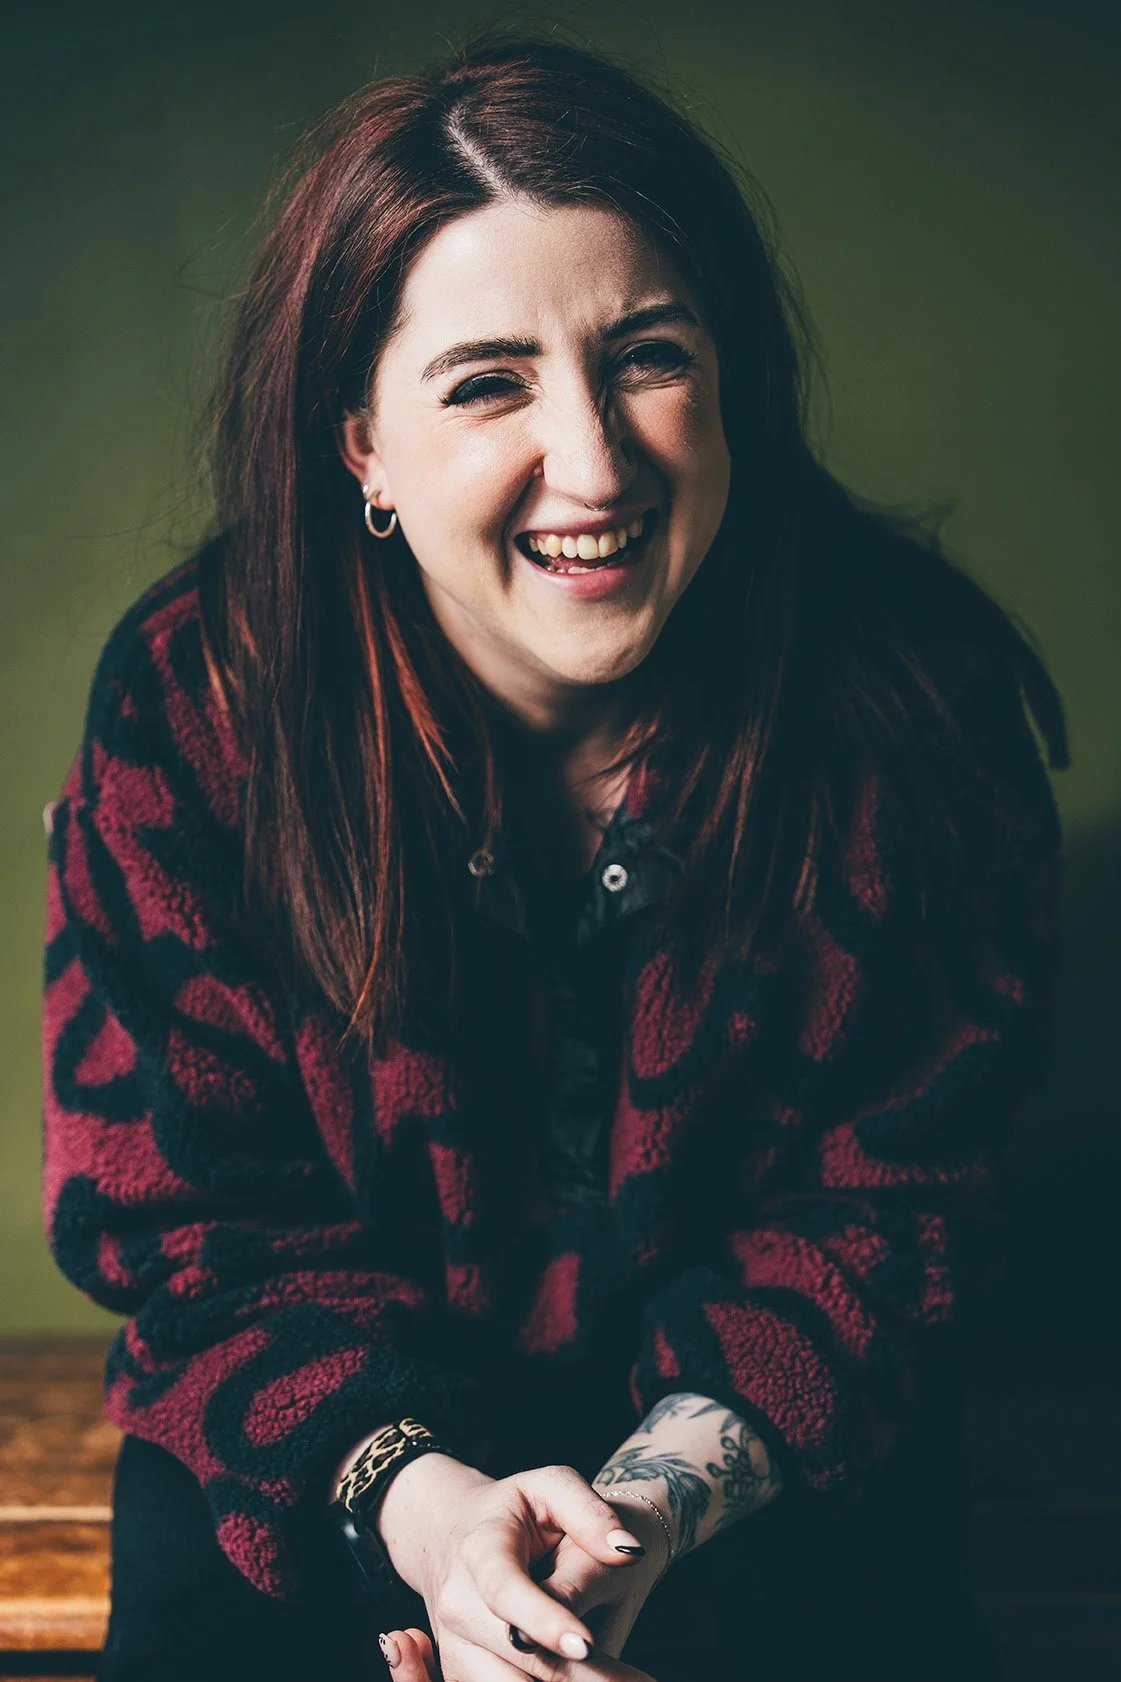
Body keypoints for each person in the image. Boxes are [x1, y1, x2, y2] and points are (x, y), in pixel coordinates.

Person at [41, 28, 1068, 1682]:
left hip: (777, 1444)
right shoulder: (194, 707)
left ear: (730, 371)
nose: (593, 464)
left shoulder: (913, 703)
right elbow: (188, 1230)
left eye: (647, 356)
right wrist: (425, 1508)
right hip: (310, 1440)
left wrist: (642, 1514)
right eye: (489, 381)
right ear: (360, 443)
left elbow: (899, 1213)